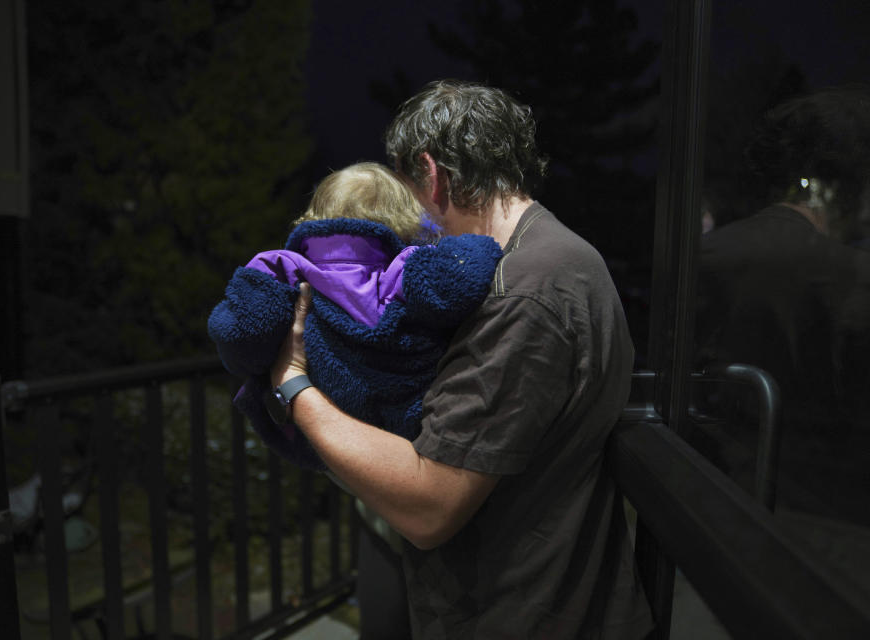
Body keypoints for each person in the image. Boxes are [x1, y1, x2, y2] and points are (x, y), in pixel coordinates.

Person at [270, 80, 653, 638]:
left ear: (431, 174)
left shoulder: (522, 291)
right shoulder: (563, 254)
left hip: (519, 615)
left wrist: (293, 382)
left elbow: (429, 506)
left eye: (404, 192)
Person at [208, 161, 504, 639]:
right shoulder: (405, 272)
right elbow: (467, 271)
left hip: (332, 441)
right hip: (413, 440)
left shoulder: (284, 270)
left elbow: (237, 334)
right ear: (399, 219)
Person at [696, 85, 870, 522]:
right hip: (828, 510)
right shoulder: (852, 273)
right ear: (838, 188)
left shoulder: (710, 254)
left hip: (708, 488)